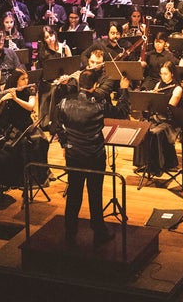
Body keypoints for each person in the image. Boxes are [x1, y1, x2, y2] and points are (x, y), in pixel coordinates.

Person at [54, 67, 130, 246]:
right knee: (94, 194)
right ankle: (98, 230)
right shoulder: (100, 104)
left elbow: (58, 127)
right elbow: (121, 111)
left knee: (74, 193)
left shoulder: (65, 102)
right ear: (95, 86)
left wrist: (65, 144)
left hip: (73, 155)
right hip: (94, 156)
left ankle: (70, 232)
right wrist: (124, 89)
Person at [0, 69, 49, 185]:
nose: (26, 81)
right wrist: (2, 100)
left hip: (27, 125)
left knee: (42, 140)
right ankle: (22, 178)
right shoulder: (9, 92)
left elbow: (30, 106)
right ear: (16, 81)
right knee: (22, 145)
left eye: (26, 78)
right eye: (23, 79)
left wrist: (15, 99)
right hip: (13, 128)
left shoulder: (31, 89)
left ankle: (41, 174)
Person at [134, 61, 183, 177]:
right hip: (157, 117)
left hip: (169, 120)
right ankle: (144, 162)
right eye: (161, 74)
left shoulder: (177, 89)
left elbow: (169, 109)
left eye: (166, 74)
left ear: (172, 74)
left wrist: (156, 100)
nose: (163, 76)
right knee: (142, 128)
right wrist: (149, 97)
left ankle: (157, 166)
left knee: (154, 132)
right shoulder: (158, 85)